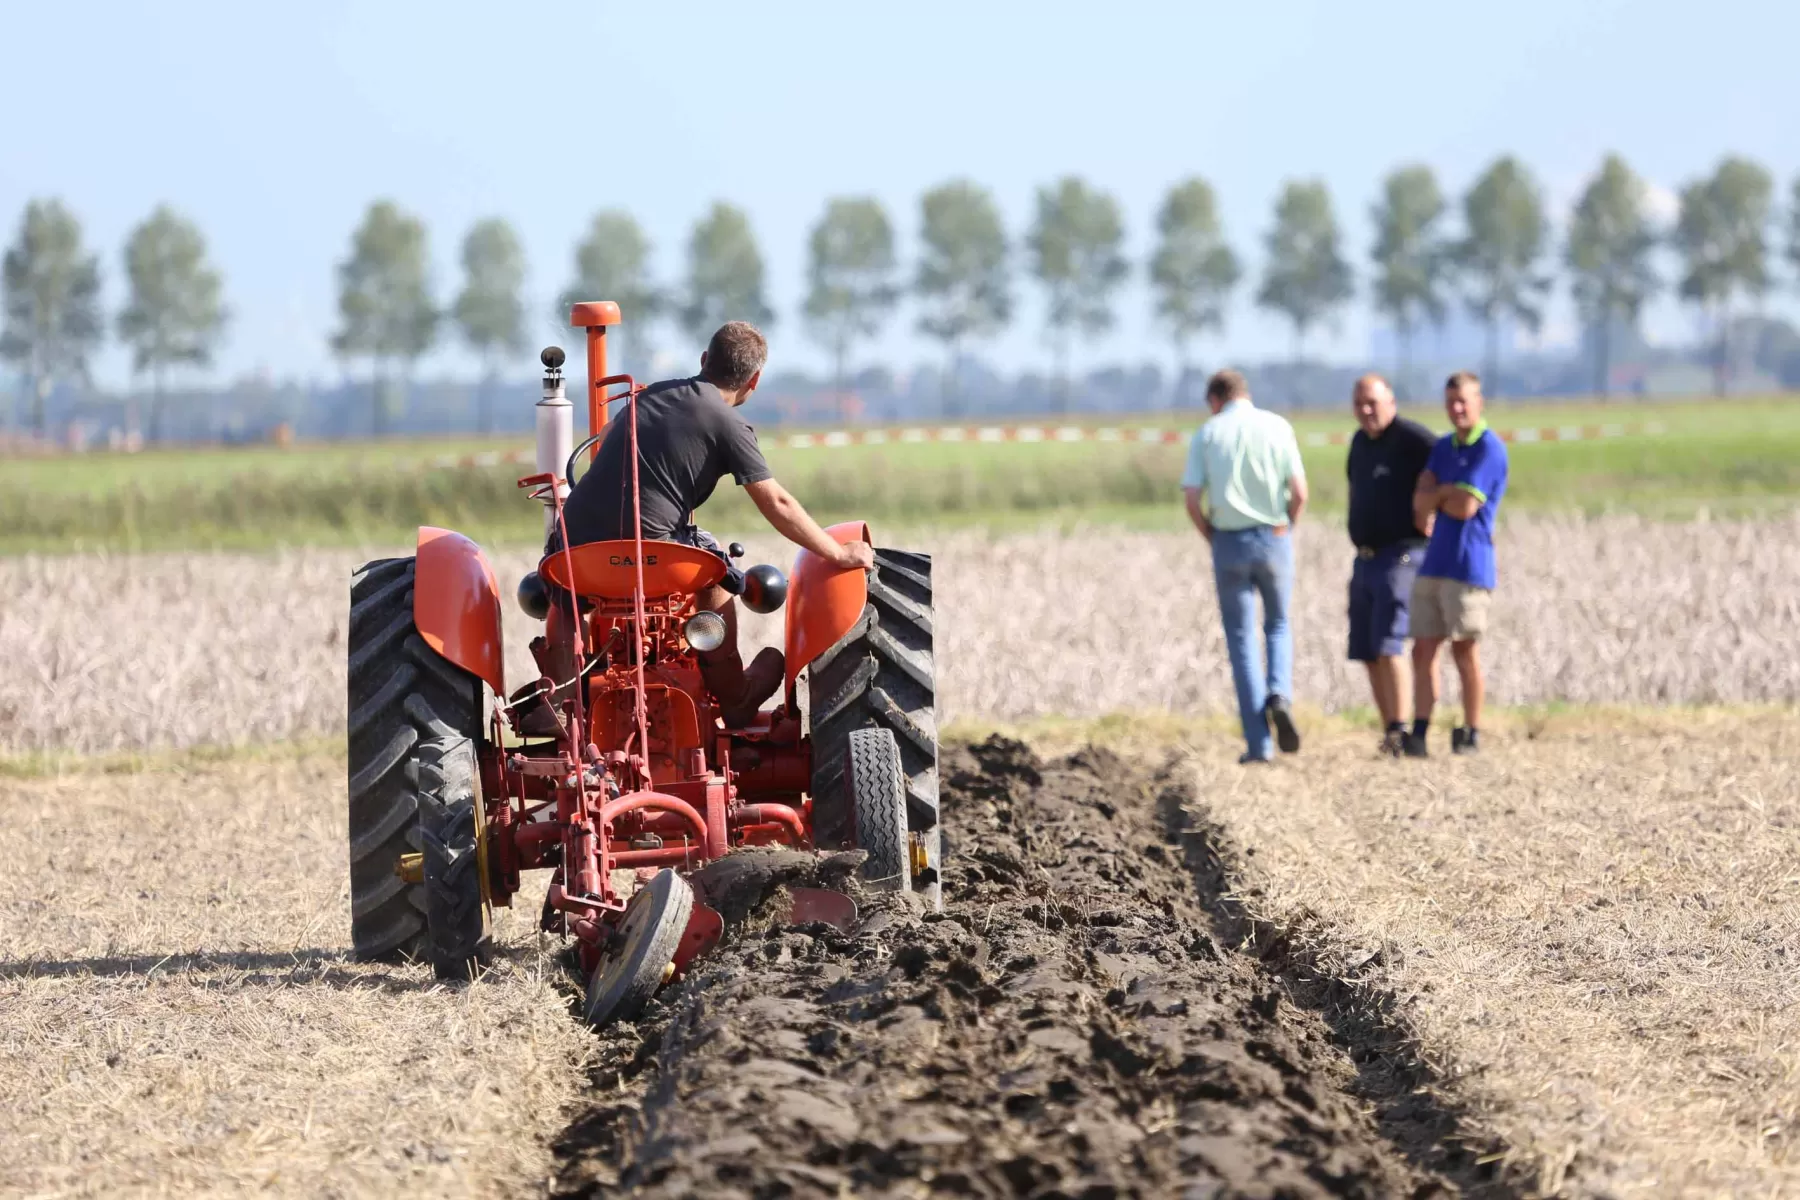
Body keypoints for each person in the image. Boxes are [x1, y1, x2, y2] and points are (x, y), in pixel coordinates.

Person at [547, 321, 873, 727]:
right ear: (754, 381)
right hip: (653, 550)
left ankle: (560, 704)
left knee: (564, 598)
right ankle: (733, 694)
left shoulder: (648, 396)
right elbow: (777, 502)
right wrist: (838, 552)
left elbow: (608, 437)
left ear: (704, 360)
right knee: (716, 566)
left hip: (572, 543)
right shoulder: (729, 424)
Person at [1181, 369, 1309, 764]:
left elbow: (1191, 498)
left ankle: (1259, 744)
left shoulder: (1207, 433)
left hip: (1228, 539)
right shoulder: (1277, 426)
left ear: (1215, 399)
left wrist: (1211, 535)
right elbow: (1300, 492)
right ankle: (1279, 693)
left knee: (1240, 639)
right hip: (1273, 534)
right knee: (1279, 624)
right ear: (1245, 394)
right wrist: (1286, 527)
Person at [1405, 371, 1509, 756]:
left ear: (1479, 402)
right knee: (1423, 650)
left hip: (1469, 564)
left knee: (1464, 650)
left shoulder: (1490, 448)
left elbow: (1465, 507)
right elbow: (1420, 501)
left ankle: (1470, 730)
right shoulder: (1443, 447)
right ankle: (1420, 729)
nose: (1458, 409)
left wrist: (1440, 494)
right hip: (1434, 561)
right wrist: (1441, 494)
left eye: (1464, 401)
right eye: (1451, 402)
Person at [1344, 373, 1437, 756]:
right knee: (1367, 649)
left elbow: (1449, 464)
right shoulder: (1359, 443)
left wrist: (1433, 506)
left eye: (1374, 403)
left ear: (1391, 402)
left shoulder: (1412, 439)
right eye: (1360, 404)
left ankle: (1401, 729)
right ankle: (1389, 731)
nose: (1367, 411)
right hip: (1365, 558)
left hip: (1400, 554)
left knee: (1388, 643)